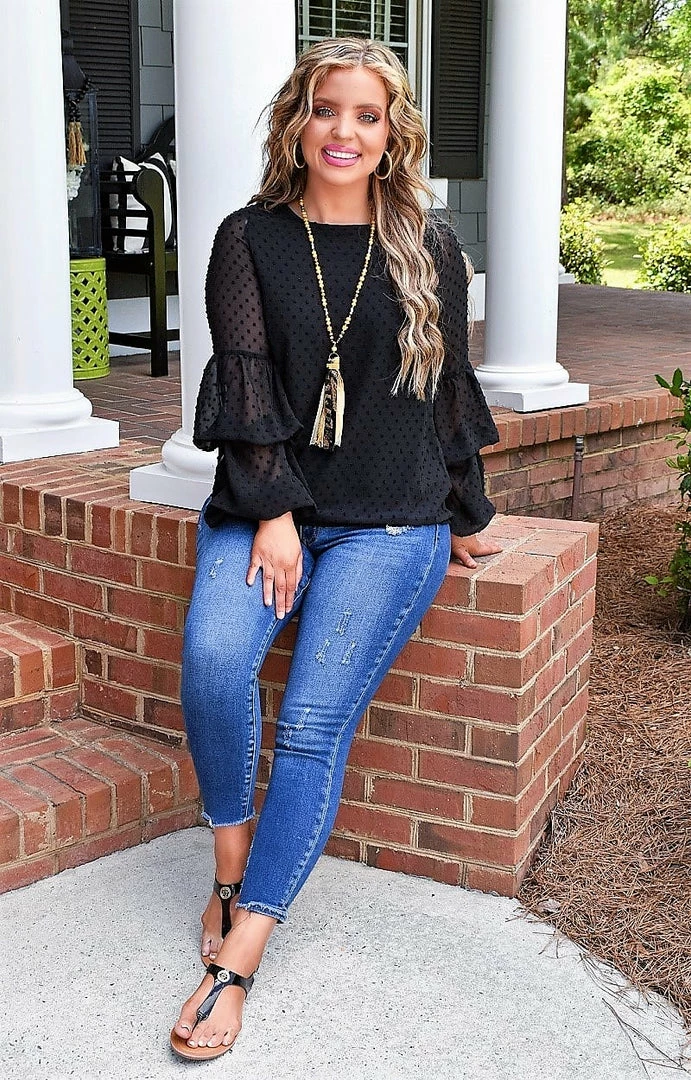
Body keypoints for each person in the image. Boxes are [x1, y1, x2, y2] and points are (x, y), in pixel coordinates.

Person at [170, 36, 501, 1061]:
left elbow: (444, 391)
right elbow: (246, 380)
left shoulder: (428, 244)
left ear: (393, 133)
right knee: (214, 662)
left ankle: (242, 953)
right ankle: (230, 865)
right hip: (268, 507)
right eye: (325, 109)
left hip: (391, 520)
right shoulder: (249, 237)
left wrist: (468, 509)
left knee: (312, 725)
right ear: (295, 121)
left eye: (366, 114)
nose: (343, 132)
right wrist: (274, 510)